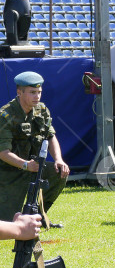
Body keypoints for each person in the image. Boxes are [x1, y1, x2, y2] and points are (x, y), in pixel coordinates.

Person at [0, 72, 69, 224]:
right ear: (19, 92)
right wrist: (26, 165)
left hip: (33, 167)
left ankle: (37, 217)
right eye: (32, 92)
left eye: (39, 92)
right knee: (6, 223)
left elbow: (51, 136)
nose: (37, 96)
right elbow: (3, 153)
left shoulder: (41, 110)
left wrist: (58, 159)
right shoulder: (5, 116)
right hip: (8, 173)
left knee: (58, 172)